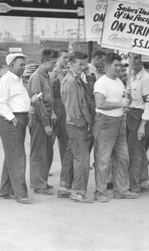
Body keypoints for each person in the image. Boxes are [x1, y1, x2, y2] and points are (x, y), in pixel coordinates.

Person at [93, 52, 138, 202]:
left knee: (123, 157)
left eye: (120, 65)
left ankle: (121, 189)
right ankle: (100, 192)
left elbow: (125, 102)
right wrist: (120, 104)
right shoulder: (102, 82)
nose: (118, 68)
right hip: (105, 122)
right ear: (107, 66)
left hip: (119, 121)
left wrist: (128, 97)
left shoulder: (119, 81)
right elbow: (100, 104)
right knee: (103, 159)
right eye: (115, 65)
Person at [0, 53, 37, 204]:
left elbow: (18, 100)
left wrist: (31, 100)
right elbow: (0, 103)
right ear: (11, 65)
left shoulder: (18, 81)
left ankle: (6, 190)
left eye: (24, 65)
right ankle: (20, 193)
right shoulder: (5, 81)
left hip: (19, 118)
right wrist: (12, 119)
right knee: (18, 157)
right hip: (11, 120)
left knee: (11, 156)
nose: (23, 68)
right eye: (21, 65)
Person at [58, 51, 95, 203]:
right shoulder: (72, 81)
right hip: (76, 123)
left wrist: (88, 74)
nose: (83, 66)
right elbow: (73, 107)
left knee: (70, 155)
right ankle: (78, 192)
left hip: (73, 123)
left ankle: (65, 187)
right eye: (80, 64)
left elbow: (88, 94)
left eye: (84, 64)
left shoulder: (77, 79)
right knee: (82, 159)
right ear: (71, 64)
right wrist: (82, 124)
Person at [29, 48, 59, 195]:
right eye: (53, 62)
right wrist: (46, 124)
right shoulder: (36, 77)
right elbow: (38, 102)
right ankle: (38, 184)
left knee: (47, 152)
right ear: (45, 61)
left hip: (46, 117)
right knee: (38, 153)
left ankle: (43, 181)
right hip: (39, 118)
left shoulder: (46, 76)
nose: (54, 65)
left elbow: (49, 99)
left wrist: (52, 114)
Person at [126, 53, 149, 193]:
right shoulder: (130, 77)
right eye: (132, 58)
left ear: (143, 60)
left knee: (135, 151)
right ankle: (143, 180)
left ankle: (135, 183)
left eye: (137, 58)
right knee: (140, 151)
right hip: (131, 114)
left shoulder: (146, 79)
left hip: (141, 117)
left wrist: (143, 125)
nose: (134, 61)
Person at [50, 48, 70, 164]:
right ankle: (46, 169)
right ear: (58, 58)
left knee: (65, 140)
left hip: (65, 107)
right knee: (50, 140)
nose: (67, 60)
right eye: (64, 57)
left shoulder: (68, 72)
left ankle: (65, 168)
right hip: (54, 106)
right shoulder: (51, 72)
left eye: (68, 58)